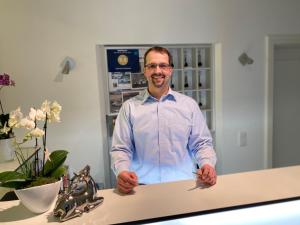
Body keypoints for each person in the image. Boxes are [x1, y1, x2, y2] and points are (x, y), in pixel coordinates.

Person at [111, 46, 217, 194]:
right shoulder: (129, 108)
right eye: (152, 66)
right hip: (142, 189)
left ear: (170, 70)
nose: (157, 71)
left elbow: (201, 144)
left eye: (163, 65)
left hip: (184, 187)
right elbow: (121, 148)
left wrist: (207, 164)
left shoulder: (189, 106)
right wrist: (122, 171)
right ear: (145, 70)